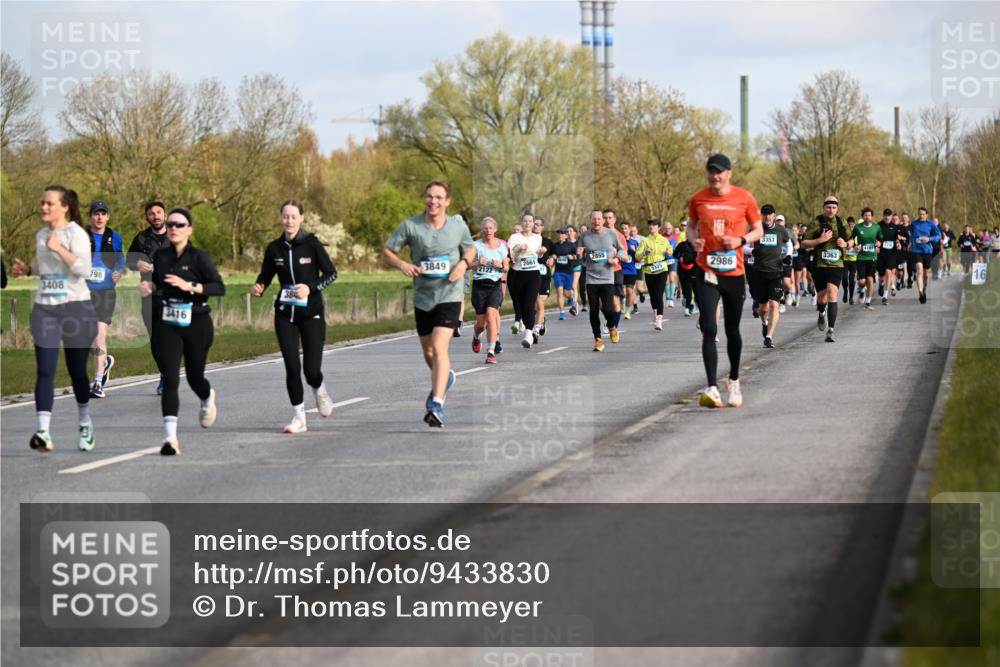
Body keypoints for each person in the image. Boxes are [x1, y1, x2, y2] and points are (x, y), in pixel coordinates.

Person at [10, 186, 98, 452]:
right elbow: (46, 267)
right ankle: (43, 432)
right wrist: (28, 269)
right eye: (42, 203)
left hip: (76, 309)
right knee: (45, 371)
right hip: (45, 308)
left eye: (49, 204)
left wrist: (60, 248)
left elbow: (84, 269)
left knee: (77, 373)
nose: (43, 208)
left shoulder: (76, 234)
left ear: (64, 207)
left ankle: (85, 423)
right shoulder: (41, 235)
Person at [383, 180, 474, 427]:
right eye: (429, 196)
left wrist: (463, 265)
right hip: (423, 298)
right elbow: (388, 251)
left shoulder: (457, 227)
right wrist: (402, 264)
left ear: (447, 201)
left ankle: (436, 403)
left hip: (450, 295)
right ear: (425, 199)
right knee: (429, 353)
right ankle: (446, 377)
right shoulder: (411, 226)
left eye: (438, 197)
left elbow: (471, 250)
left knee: (439, 345)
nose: (433, 201)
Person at [141, 208, 225, 455]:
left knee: (194, 377)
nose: (174, 228)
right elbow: (158, 281)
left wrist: (189, 285)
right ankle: (170, 438)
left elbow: (218, 287)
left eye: (180, 224)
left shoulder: (199, 258)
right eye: (171, 225)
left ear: (189, 229)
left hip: (197, 322)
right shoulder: (162, 256)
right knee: (170, 378)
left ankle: (207, 397)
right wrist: (150, 285)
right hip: (169, 322)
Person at [252, 199, 338, 434]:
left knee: (311, 370)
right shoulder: (274, 248)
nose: (289, 221)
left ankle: (319, 390)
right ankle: (299, 417)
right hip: (284, 314)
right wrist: (259, 286)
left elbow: (331, 273)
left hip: (311, 314)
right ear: (281, 219)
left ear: (301, 218)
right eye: (285, 216)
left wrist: (310, 287)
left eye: (293, 216)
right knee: (291, 367)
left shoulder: (312, 245)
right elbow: (266, 275)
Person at [687, 154, 763, 408]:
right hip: (707, 272)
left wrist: (741, 241)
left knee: (732, 331)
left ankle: (734, 379)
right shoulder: (698, 199)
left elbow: (758, 230)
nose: (715, 176)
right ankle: (711, 387)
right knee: (709, 326)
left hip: (734, 274)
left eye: (719, 172)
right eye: (711, 171)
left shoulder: (744, 198)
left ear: (728, 173)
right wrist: (693, 240)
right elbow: (690, 226)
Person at [127, 200, 171, 395]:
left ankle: (169, 375)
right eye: (152, 213)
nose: (156, 216)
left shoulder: (175, 235)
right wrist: (137, 264)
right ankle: (165, 374)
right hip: (149, 296)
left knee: (170, 338)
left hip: (172, 296)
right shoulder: (141, 238)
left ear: (165, 215)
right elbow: (128, 261)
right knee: (155, 340)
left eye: (159, 212)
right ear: (147, 217)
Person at [84, 200, 125, 398]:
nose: (99, 217)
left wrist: (119, 271)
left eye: (103, 214)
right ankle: (105, 361)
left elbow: (121, 260)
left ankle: (98, 384)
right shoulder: (81, 236)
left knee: (100, 335)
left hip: (106, 293)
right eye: (96, 213)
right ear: (90, 216)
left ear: (107, 217)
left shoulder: (114, 237)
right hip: (83, 293)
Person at [801, 195, 852, 342]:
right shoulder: (816, 222)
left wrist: (846, 244)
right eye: (828, 207)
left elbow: (852, 240)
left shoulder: (842, 222)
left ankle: (831, 330)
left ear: (837, 208)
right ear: (824, 207)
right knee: (822, 298)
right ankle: (821, 312)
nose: (831, 210)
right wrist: (819, 240)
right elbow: (804, 243)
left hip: (837, 265)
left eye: (834, 207)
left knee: (832, 293)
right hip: (820, 265)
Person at [578, 210, 624, 350]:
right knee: (594, 310)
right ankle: (597, 338)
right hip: (591, 279)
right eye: (594, 219)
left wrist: (616, 259)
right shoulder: (584, 236)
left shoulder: (611, 234)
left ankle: (611, 326)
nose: (596, 221)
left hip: (607, 278)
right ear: (590, 220)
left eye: (599, 219)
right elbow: (582, 260)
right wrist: (580, 255)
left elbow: (622, 250)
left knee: (609, 309)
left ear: (602, 221)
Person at [469, 217, 509, 364]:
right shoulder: (475, 246)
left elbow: (506, 267)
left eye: (490, 228)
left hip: (495, 285)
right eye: (485, 228)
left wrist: (500, 266)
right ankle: (476, 335)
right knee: (481, 324)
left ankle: (491, 352)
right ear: (482, 230)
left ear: (495, 229)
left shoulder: (501, 247)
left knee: (491, 316)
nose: (488, 231)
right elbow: (465, 264)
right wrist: (477, 263)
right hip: (479, 285)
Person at [752, 205, 791, 348]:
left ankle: (769, 337)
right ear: (761, 215)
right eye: (764, 214)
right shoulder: (756, 229)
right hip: (760, 272)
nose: (767, 217)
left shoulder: (781, 230)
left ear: (774, 215)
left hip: (776, 271)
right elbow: (743, 244)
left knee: (774, 304)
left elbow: (789, 244)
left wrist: (787, 255)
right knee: (763, 309)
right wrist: (751, 251)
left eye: (770, 215)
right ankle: (764, 322)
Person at [507, 213, 544, 348]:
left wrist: (541, 252)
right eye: (525, 221)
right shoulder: (514, 237)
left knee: (529, 303)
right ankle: (526, 324)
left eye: (530, 221)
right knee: (520, 305)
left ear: (533, 223)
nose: (527, 223)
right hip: (517, 274)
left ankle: (529, 334)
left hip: (533, 274)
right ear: (522, 223)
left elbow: (538, 256)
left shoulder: (537, 237)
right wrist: (518, 249)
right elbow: (510, 256)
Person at [634, 219, 673, 330]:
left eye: (654, 225)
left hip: (662, 269)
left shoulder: (664, 240)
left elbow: (670, 250)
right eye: (650, 225)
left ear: (659, 228)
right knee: (652, 295)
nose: (652, 226)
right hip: (649, 270)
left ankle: (659, 320)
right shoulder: (645, 241)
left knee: (659, 294)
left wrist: (668, 251)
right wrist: (645, 253)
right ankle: (656, 313)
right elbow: (637, 255)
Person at [908, 207, 941, 303]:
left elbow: (938, 236)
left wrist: (929, 239)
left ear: (926, 215)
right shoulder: (914, 224)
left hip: (927, 251)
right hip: (916, 250)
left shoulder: (931, 224)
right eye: (919, 214)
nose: (921, 216)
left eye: (923, 214)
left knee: (925, 275)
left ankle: (924, 289)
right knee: (919, 270)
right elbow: (912, 235)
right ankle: (920, 292)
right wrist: (910, 243)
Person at [852, 207, 882, 311]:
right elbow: (851, 239)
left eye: (869, 215)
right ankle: (860, 288)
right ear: (862, 217)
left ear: (872, 216)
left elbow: (880, 239)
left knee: (870, 280)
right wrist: (855, 245)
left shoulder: (876, 227)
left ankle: (867, 302)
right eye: (865, 215)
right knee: (862, 281)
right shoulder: (857, 227)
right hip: (861, 257)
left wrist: (879, 243)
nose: (867, 217)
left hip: (872, 257)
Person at [533, 217, 554, 337]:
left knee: (540, 302)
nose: (536, 226)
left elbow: (555, 255)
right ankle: (541, 321)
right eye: (534, 224)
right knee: (533, 305)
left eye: (538, 224)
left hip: (544, 275)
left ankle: (536, 329)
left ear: (542, 227)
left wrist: (552, 259)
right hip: (531, 275)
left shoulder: (547, 242)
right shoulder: (527, 240)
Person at [551, 227, 578, 319]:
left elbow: (578, 256)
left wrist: (572, 257)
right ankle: (562, 313)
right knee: (559, 291)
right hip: (558, 272)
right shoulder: (555, 246)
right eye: (559, 233)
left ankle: (570, 298)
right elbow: (551, 254)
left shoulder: (571, 245)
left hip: (568, 272)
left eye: (562, 234)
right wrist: (553, 256)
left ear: (566, 235)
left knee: (567, 293)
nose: (560, 235)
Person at [877, 208, 900, 305]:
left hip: (891, 253)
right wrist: (876, 245)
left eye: (889, 215)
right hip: (881, 254)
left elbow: (897, 239)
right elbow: (875, 238)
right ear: (883, 216)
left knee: (889, 272)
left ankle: (885, 296)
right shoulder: (878, 226)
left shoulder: (895, 227)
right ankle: (881, 284)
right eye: (885, 215)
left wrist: (898, 244)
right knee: (881, 276)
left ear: (891, 217)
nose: (887, 217)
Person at [841, 216, 858, 305]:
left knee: (852, 280)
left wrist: (858, 248)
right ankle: (845, 291)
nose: (851, 226)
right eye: (849, 225)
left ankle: (851, 297)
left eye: (852, 225)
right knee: (844, 279)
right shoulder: (843, 234)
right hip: (844, 259)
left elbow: (861, 245)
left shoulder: (857, 234)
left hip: (854, 260)